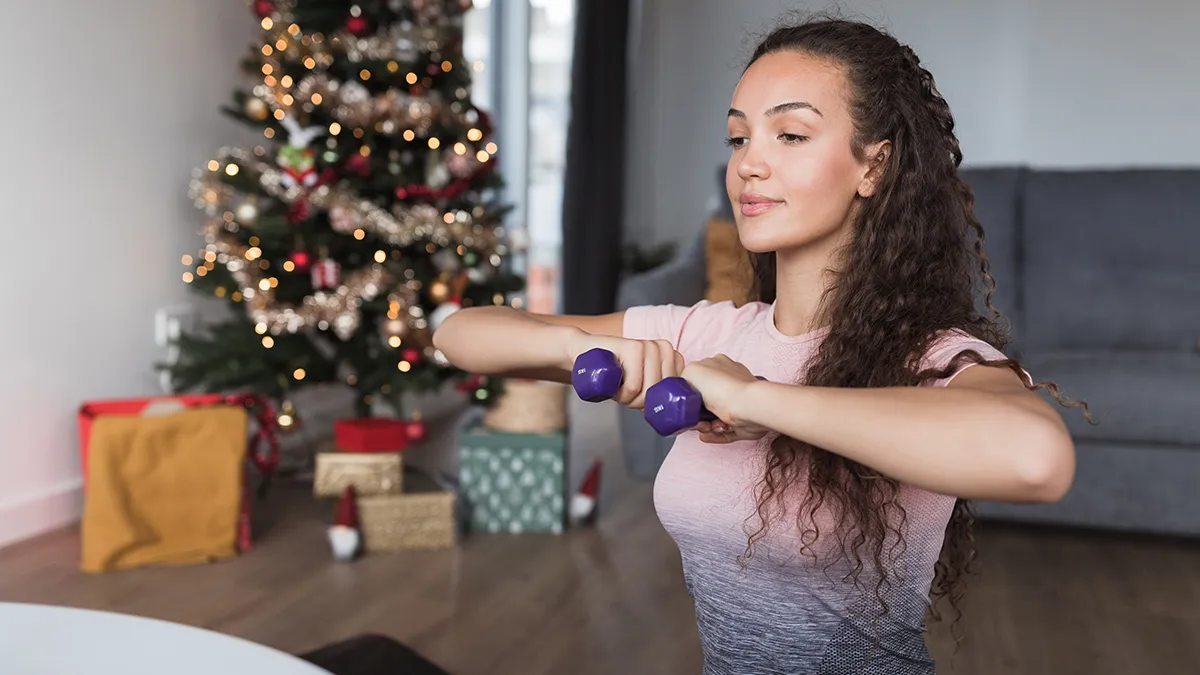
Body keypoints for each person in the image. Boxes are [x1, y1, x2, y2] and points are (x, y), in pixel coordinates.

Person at [434, 15, 1086, 674]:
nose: (749, 162)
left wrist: (755, 397)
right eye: (739, 136)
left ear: (873, 164)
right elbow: (458, 334)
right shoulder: (705, 333)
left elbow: (1038, 459)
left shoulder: (934, 357)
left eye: (791, 134)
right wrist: (580, 348)